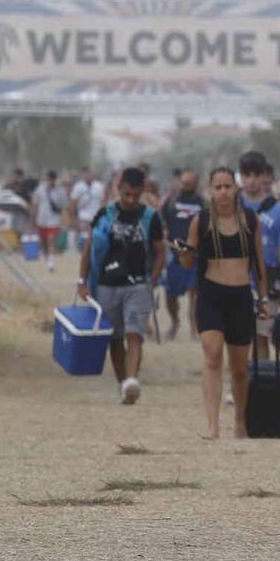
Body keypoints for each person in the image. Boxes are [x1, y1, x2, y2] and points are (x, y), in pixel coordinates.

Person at [187, 166, 268, 438]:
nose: (223, 192)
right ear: (210, 190)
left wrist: (264, 297)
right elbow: (189, 259)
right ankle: (212, 425)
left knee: (240, 367)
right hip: (210, 295)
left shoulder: (250, 220)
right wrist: (184, 252)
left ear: (236, 189)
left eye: (227, 186)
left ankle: (241, 422)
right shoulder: (201, 220)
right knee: (212, 356)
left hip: (241, 297)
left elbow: (259, 263)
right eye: (218, 187)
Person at [77, 166, 165, 406]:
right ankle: (123, 385)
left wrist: (152, 282)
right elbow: (88, 251)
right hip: (106, 285)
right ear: (119, 189)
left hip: (138, 285)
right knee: (114, 339)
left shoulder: (150, 217)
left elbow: (160, 252)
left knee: (134, 334)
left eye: (136, 195)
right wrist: (82, 282)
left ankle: (131, 381)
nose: (131, 200)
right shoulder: (104, 215)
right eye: (127, 194)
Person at [238, 151, 280, 354]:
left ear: (265, 176)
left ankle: (261, 381)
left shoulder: (278, 211)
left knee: (262, 337)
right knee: (239, 338)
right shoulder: (231, 206)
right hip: (236, 280)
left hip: (267, 283)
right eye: (247, 175)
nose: (252, 181)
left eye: (256, 175)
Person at [160, 169, 205, 340]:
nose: (185, 185)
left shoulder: (203, 204)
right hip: (175, 256)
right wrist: (165, 239)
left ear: (196, 184)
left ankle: (194, 328)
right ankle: (175, 323)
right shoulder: (171, 202)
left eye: (189, 182)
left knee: (195, 293)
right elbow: (162, 222)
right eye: (183, 182)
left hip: (195, 257)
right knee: (170, 294)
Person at [32, 170, 67, 272]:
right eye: (49, 179)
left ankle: (51, 263)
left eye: (52, 179)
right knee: (43, 243)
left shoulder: (60, 191)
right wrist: (33, 218)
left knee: (51, 240)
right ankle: (47, 258)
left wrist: (64, 220)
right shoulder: (40, 190)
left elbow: (64, 206)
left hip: (54, 219)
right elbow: (35, 204)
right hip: (41, 219)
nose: (50, 181)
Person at [71, 169, 105, 253]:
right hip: (83, 216)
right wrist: (74, 218)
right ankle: (84, 253)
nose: (88, 176)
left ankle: (93, 252)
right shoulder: (78, 186)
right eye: (86, 175)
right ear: (83, 175)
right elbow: (73, 202)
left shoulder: (99, 186)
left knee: (95, 236)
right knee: (85, 237)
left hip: (96, 216)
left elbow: (103, 201)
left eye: (90, 174)